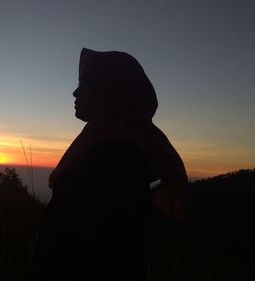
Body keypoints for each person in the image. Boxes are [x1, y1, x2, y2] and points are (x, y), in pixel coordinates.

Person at [30, 48, 189, 281]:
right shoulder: (107, 145)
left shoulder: (115, 158)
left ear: (112, 89)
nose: (75, 92)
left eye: (85, 82)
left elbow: (94, 253)